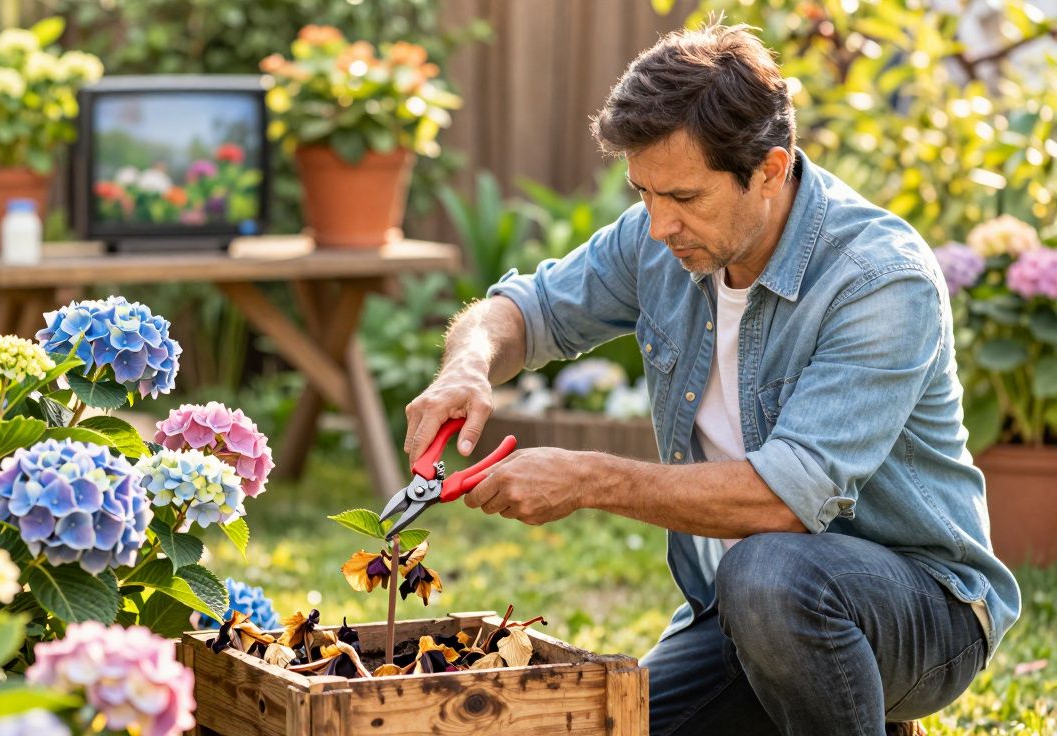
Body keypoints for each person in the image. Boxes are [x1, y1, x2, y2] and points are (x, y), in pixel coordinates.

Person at [403, 21, 1020, 736]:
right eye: (644, 194)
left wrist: (585, 479)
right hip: (743, 612)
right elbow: (525, 308)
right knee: (620, 722)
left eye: (686, 198)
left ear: (769, 169)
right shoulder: (659, 238)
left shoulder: (879, 281)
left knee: (769, 574)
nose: (660, 225)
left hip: (923, 609)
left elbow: (787, 497)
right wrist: (468, 364)